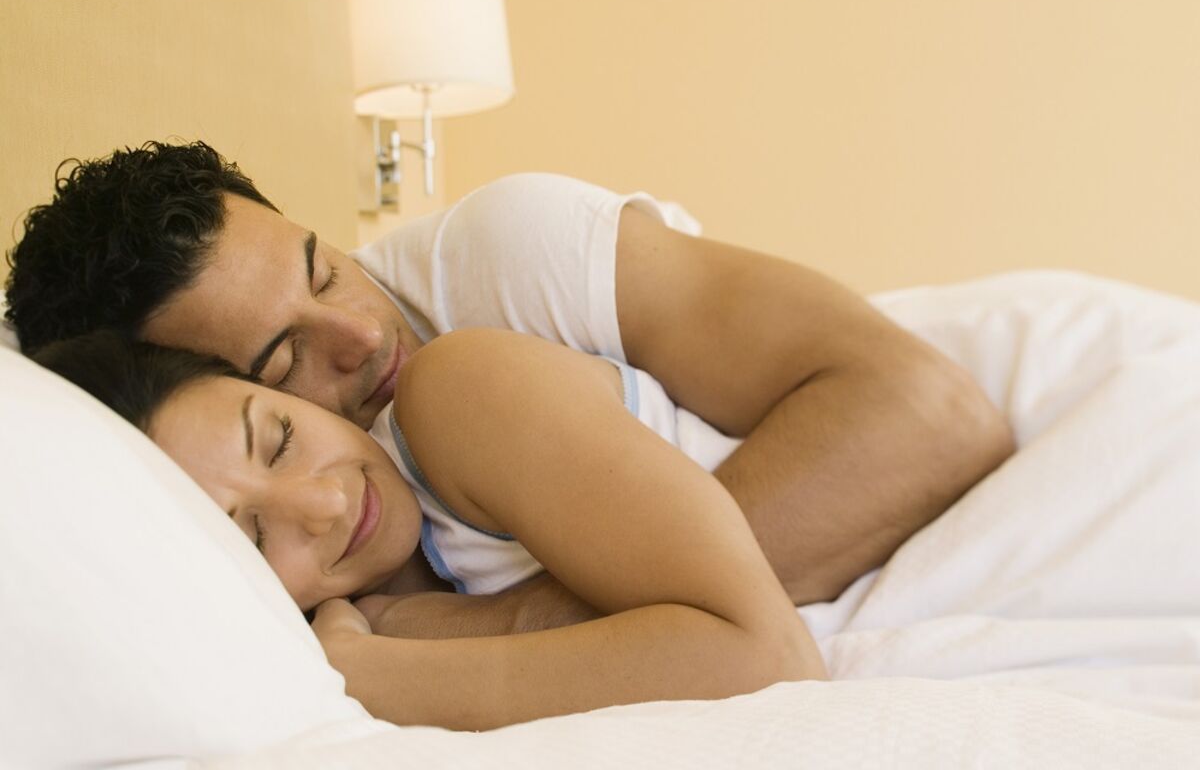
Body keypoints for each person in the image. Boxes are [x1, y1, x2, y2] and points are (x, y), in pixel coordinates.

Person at [4, 141, 1014, 634]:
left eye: (323, 268)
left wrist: (507, 630)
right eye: (281, 365)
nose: (364, 333)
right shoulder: (311, 528)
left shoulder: (504, 260)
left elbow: (932, 413)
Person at [33, 328, 829, 730]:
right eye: (253, 540)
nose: (325, 504)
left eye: (280, 439)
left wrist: (377, 673)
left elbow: (768, 661)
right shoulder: (362, 614)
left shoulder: (456, 394)